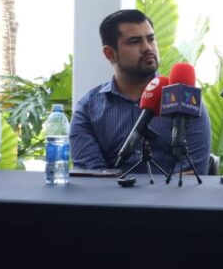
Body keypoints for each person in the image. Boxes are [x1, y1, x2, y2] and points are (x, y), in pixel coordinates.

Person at [70, 9, 211, 176]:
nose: (147, 48)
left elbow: (189, 176)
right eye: (134, 41)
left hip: (172, 202)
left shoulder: (186, 101)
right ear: (110, 54)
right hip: (110, 201)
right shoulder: (88, 109)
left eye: (151, 39)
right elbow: (93, 176)